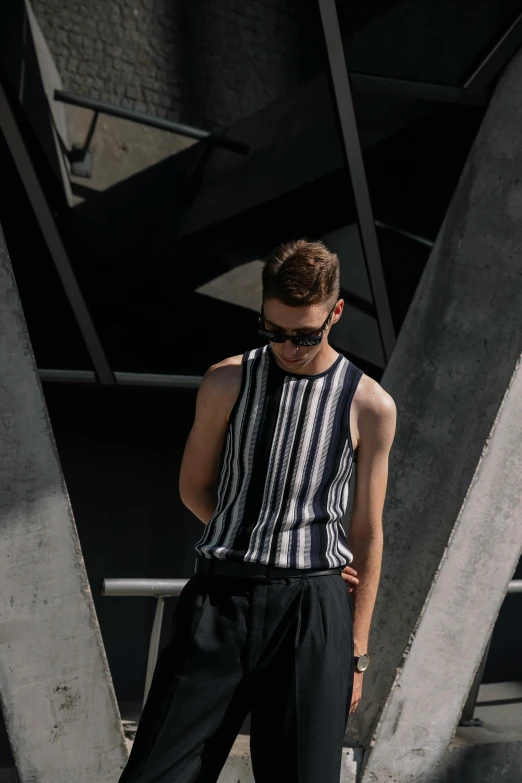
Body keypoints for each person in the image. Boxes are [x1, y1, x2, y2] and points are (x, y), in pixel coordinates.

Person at [118, 239, 396, 783]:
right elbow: (194, 487)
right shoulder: (227, 381)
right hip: (220, 601)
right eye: (273, 331)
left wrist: (356, 653)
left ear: (335, 313)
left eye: (304, 335)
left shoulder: (370, 405)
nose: (288, 346)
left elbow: (367, 535)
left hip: (312, 614)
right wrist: (259, 540)